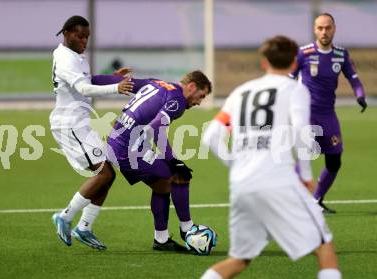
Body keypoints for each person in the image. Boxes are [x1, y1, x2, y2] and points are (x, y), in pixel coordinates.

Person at [200, 36, 341, 279]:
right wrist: (306, 176)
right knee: (324, 247)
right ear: (295, 62)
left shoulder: (240, 92)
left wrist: (236, 165)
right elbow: (301, 132)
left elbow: (211, 137)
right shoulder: (296, 89)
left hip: (242, 185)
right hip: (278, 181)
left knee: (239, 260)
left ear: (264, 62)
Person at [50, 15, 134, 250]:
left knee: (108, 174)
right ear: (66, 33)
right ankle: (65, 217)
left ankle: (84, 227)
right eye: (80, 36)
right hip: (69, 124)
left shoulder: (75, 56)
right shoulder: (65, 58)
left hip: (80, 122)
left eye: (87, 37)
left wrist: (112, 78)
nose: (84, 40)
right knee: (104, 174)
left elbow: (90, 79)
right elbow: (84, 87)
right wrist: (116, 88)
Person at [107, 71, 212, 251]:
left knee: (162, 185)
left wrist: (90, 78)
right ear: (192, 87)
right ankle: (188, 229)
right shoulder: (178, 100)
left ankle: (161, 240)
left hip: (119, 143)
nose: (199, 102)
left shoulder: (158, 84)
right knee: (179, 175)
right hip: (128, 150)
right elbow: (156, 128)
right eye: (201, 96)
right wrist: (173, 160)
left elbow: (121, 82)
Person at [290, 13, 367, 213]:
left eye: (328, 28)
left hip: (328, 115)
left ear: (334, 28)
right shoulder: (303, 53)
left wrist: (360, 95)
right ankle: (291, 200)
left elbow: (354, 79)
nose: (324, 32)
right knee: (306, 157)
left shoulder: (341, 54)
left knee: (334, 161)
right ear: (315, 30)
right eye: (320, 28)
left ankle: (316, 201)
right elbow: (288, 79)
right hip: (306, 115)